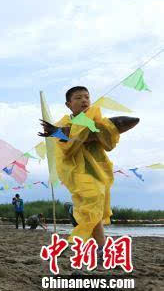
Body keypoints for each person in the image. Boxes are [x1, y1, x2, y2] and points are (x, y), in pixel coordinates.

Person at [39, 86, 126, 260]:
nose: (84, 100)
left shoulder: (95, 120)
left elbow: (108, 141)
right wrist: (63, 133)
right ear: (69, 104)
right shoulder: (64, 124)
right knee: (93, 201)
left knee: (95, 210)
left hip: (98, 171)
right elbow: (65, 145)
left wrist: (90, 133)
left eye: (87, 97)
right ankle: (79, 239)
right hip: (77, 171)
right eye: (78, 98)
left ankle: (100, 247)